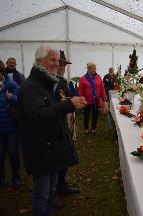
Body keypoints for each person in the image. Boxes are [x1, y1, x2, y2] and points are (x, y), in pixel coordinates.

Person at [17, 44, 87, 216]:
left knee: (49, 192)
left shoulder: (47, 83)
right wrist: (68, 105)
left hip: (51, 148)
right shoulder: (31, 86)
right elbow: (38, 116)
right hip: (40, 149)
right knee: (42, 195)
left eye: (58, 60)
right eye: (53, 60)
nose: (57, 64)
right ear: (40, 61)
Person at [52, 50, 80, 209]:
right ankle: (53, 192)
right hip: (56, 126)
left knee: (65, 158)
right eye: (59, 64)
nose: (62, 67)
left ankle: (62, 186)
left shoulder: (63, 81)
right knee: (56, 160)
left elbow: (72, 97)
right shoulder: (50, 82)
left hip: (67, 124)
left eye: (63, 64)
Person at [0, 60, 21, 190]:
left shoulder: (12, 86)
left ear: (1, 72)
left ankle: (16, 177)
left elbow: (22, 103)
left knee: (13, 152)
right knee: (0, 154)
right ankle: (1, 177)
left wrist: (11, 98)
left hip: (12, 126)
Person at [78, 62, 107, 135]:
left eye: (95, 69)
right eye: (93, 69)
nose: (94, 70)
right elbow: (80, 90)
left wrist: (104, 96)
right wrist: (80, 98)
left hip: (95, 101)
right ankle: (86, 128)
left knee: (95, 115)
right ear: (88, 69)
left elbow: (102, 87)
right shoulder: (83, 78)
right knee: (86, 115)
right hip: (86, 101)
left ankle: (93, 128)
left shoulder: (98, 77)